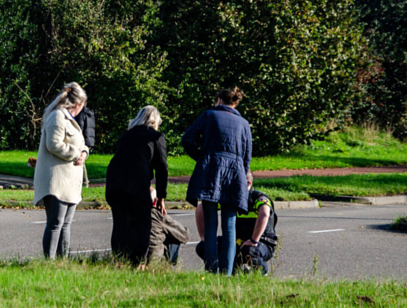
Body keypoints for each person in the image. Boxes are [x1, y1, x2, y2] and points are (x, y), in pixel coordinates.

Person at [181, 87, 252, 276]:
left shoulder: (209, 115)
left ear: (219, 100)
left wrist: (202, 157)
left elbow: (187, 139)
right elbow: (247, 156)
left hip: (211, 171)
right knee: (230, 226)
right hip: (235, 175)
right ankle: (227, 273)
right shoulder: (244, 123)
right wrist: (242, 176)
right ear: (235, 103)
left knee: (210, 225)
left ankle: (211, 270)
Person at [105, 106, 168, 267]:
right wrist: (161, 197)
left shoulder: (125, 135)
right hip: (137, 185)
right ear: (155, 121)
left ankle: (119, 260)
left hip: (115, 184)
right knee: (142, 224)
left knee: (120, 224)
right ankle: (139, 262)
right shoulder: (156, 137)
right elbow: (162, 168)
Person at [33, 82, 89, 258]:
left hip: (70, 182)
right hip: (56, 181)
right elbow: (54, 144)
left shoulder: (69, 119)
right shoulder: (57, 116)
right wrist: (76, 153)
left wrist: (84, 153)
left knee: (66, 223)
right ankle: (49, 262)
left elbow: (81, 144)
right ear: (78, 104)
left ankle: (62, 261)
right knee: (56, 223)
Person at [194, 173, 278, 274]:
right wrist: (204, 236)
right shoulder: (232, 198)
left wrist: (253, 240)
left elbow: (264, 214)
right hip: (237, 242)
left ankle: (261, 275)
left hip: (261, 242)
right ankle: (227, 271)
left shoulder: (258, 198)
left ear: (248, 184)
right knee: (203, 247)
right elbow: (201, 208)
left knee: (250, 252)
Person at [74, 106, 96, 187]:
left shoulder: (80, 113)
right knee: (81, 160)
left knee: (80, 161)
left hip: (82, 139)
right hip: (88, 139)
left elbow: (79, 127)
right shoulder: (89, 113)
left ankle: (85, 182)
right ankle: (85, 182)